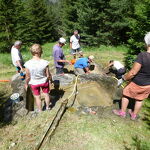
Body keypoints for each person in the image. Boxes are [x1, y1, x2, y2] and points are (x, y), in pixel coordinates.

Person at [113, 32, 150, 120]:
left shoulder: (143, 55)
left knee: (125, 94)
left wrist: (123, 78)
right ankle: (134, 115)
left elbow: (133, 72)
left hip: (137, 82)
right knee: (139, 99)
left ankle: (122, 112)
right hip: (148, 84)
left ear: (147, 43)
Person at [24, 44, 51, 112]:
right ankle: (47, 107)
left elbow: (27, 77)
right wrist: (51, 80)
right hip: (44, 82)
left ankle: (40, 110)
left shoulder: (27, 64)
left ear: (31, 52)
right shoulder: (45, 62)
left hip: (34, 83)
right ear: (41, 52)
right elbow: (48, 75)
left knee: (37, 97)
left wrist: (26, 84)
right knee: (46, 95)